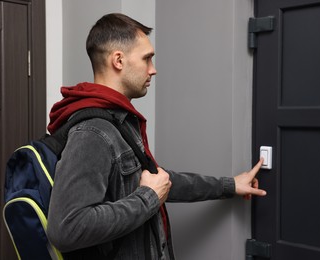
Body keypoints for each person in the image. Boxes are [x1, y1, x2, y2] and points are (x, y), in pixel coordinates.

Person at [46, 13, 266, 260]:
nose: (153, 70)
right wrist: (148, 198)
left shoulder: (119, 119)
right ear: (118, 60)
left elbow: (158, 181)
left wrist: (230, 185)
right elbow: (65, 229)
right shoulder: (93, 132)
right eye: (147, 59)